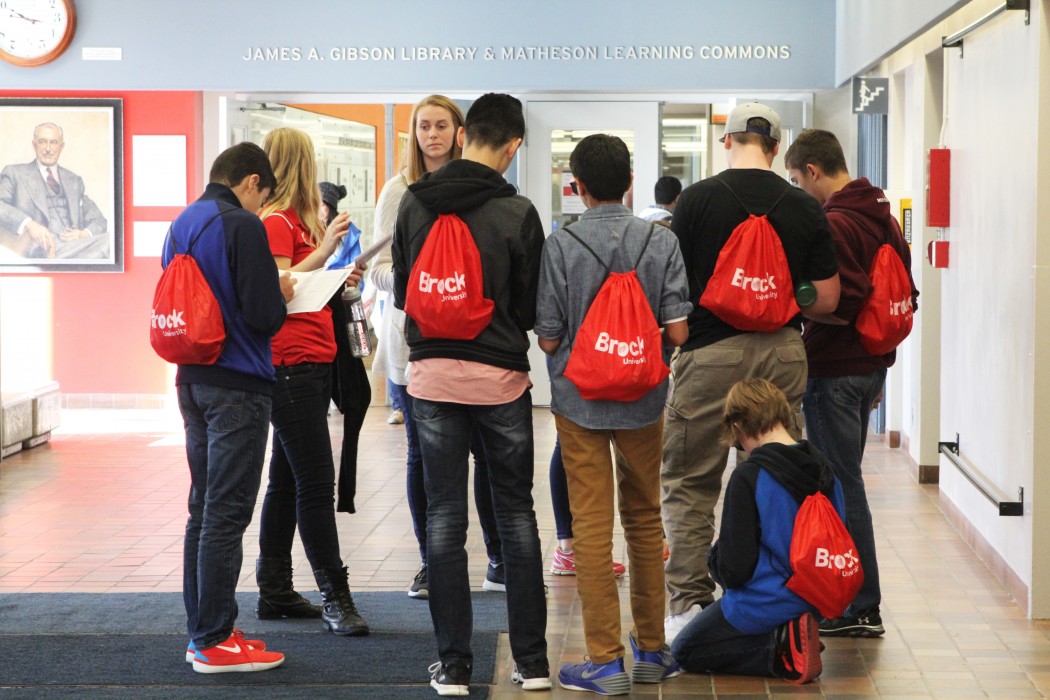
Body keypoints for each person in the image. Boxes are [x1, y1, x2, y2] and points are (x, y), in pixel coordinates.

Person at [662, 102, 841, 643]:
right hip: (783, 352)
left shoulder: (693, 201)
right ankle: (783, 602)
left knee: (692, 484)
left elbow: (673, 294)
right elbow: (827, 297)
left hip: (710, 353)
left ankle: (688, 607)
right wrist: (791, 294)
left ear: (727, 141)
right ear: (777, 146)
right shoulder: (803, 206)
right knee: (781, 479)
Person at [393, 93, 549, 695]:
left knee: (443, 517)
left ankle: (455, 665)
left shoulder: (412, 203)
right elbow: (533, 307)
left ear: (463, 136)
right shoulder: (517, 211)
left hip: (431, 378)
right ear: (512, 145)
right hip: (501, 380)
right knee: (514, 515)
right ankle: (531, 664)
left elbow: (407, 292)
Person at [536, 133, 692, 695]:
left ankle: (603, 660)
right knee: (647, 518)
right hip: (645, 399)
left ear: (575, 187)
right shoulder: (661, 241)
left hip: (579, 401)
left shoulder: (561, 245)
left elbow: (549, 340)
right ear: (629, 181)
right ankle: (652, 649)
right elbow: (677, 330)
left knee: (591, 529)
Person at [369, 95, 506, 601]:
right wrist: (423, 286)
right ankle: (432, 563)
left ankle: (497, 558)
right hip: (414, 342)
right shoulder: (398, 191)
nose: (432, 135)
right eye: (424, 126)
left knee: (486, 457)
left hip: (474, 341)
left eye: (441, 125)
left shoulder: (478, 187)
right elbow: (379, 270)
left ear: (459, 130)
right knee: (421, 458)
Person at [785, 128, 919, 638]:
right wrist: (877, 357)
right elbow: (903, 293)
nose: (799, 190)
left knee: (841, 483)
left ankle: (858, 605)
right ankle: (851, 599)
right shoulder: (882, 215)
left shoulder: (836, 223)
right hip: (866, 368)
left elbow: (842, 300)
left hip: (834, 371)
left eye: (797, 180)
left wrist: (793, 295)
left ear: (813, 172)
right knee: (844, 478)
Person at [166, 142, 292, 673]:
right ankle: (214, 641)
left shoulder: (182, 222)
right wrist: (283, 289)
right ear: (252, 182)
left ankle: (204, 630)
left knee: (203, 508)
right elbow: (265, 316)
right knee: (227, 511)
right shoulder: (242, 225)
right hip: (238, 382)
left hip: (190, 378)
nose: (262, 207)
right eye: (263, 196)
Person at [255, 127, 370, 637]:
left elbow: (304, 285)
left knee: (287, 478)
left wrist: (335, 278)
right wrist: (325, 253)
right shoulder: (278, 222)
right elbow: (284, 286)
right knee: (315, 483)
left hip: (309, 361)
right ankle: (335, 595)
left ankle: (275, 588)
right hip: (290, 363)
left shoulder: (296, 223)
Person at [670, 378, 841, 685]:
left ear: (739, 426)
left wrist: (716, 554)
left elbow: (736, 571)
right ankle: (797, 633)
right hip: (818, 597)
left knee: (685, 649)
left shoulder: (750, 476)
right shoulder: (826, 469)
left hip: (765, 601)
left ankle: (781, 648)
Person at [318, 180, 372, 517]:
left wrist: (348, 277)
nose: (321, 210)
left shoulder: (348, 233)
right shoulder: (302, 231)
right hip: (315, 334)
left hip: (343, 315)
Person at [0, 122, 109, 259]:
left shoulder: (73, 181)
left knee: (112, 241)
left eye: (53, 142)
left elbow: (99, 220)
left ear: (61, 146)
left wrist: (84, 234)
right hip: (39, 247)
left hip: (74, 246)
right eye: (42, 142)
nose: (48, 148)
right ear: (34, 145)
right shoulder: (15, 173)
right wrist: (29, 224)